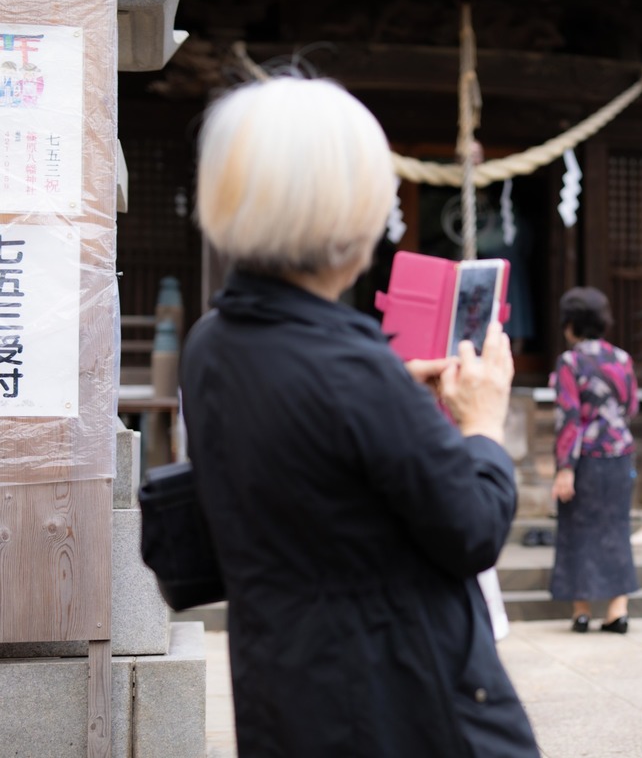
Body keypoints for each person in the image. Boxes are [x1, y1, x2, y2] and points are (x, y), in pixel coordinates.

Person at [180, 76, 539, 758]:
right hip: (395, 699)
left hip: (282, 683)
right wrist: (484, 424)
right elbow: (471, 529)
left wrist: (390, 396)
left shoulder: (212, 341)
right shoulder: (350, 364)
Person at [549, 287, 639, 634]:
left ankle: (582, 610)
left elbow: (569, 419)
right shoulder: (621, 358)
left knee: (578, 529)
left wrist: (564, 469)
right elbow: (630, 407)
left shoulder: (570, 362)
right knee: (616, 529)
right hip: (619, 454)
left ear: (570, 324)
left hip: (584, 458)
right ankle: (618, 609)